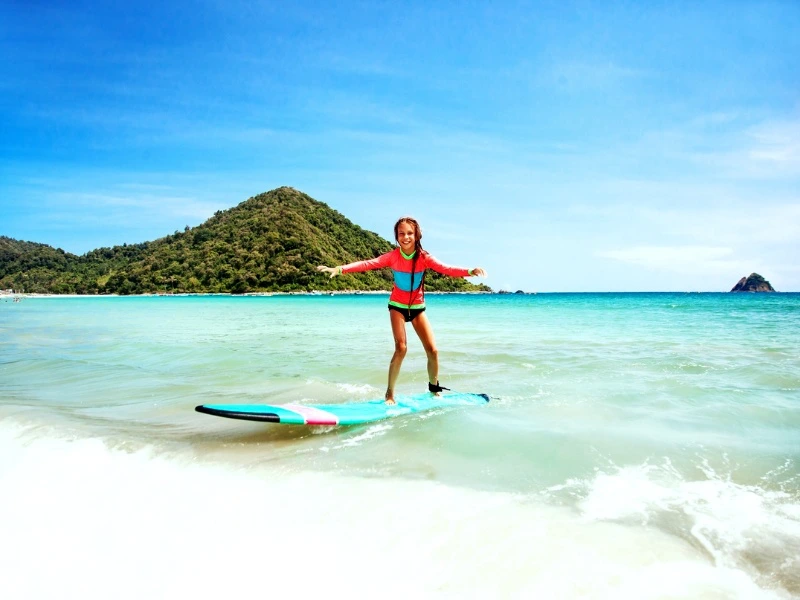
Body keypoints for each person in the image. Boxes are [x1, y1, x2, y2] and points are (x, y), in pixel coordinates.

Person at [317, 217, 486, 405]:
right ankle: (389, 394)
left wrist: (470, 271)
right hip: (397, 306)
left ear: (417, 235)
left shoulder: (424, 257)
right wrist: (340, 269)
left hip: (417, 308)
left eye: (410, 233)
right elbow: (368, 264)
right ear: (397, 236)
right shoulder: (393, 256)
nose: (406, 237)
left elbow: (446, 268)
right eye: (401, 234)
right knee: (401, 348)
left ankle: (434, 389)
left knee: (433, 350)